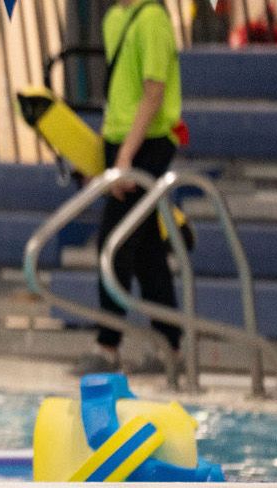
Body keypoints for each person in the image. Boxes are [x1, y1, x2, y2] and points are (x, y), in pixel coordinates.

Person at [74, 0, 186, 376]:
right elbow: (117, 96)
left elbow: (153, 94)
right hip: (121, 143)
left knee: (115, 243)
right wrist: (101, 158)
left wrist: (124, 158)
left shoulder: (152, 19)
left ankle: (107, 347)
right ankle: (170, 345)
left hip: (149, 142)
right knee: (145, 252)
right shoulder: (113, 19)